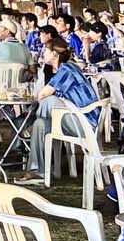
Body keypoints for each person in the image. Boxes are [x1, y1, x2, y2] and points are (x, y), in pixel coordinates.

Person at [22, 40, 100, 182]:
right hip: (72, 117)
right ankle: (36, 170)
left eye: (46, 51)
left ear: (54, 54)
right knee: (40, 124)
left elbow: (42, 94)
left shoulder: (67, 69)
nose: (43, 53)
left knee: (49, 101)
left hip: (85, 122)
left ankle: (29, 124)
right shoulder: (62, 69)